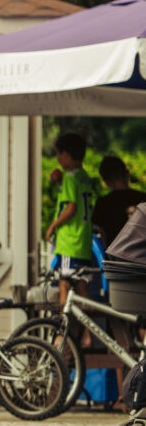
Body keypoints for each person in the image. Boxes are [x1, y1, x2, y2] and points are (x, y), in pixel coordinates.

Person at [45, 132, 94, 310]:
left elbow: (71, 207)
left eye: (58, 154)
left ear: (65, 154)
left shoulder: (70, 177)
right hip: (83, 240)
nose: (58, 159)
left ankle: (61, 331)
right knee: (82, 286)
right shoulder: (84, 177)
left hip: (69, 241)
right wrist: (59, 183)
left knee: (64, 282)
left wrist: (52, 226)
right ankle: (87, 335)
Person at [92, 155, 146, 248]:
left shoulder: (102, 203)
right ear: (127, 173)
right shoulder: (143, 198)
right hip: (142, 258)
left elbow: (103, 237)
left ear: (105, 181)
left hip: (116, 259)